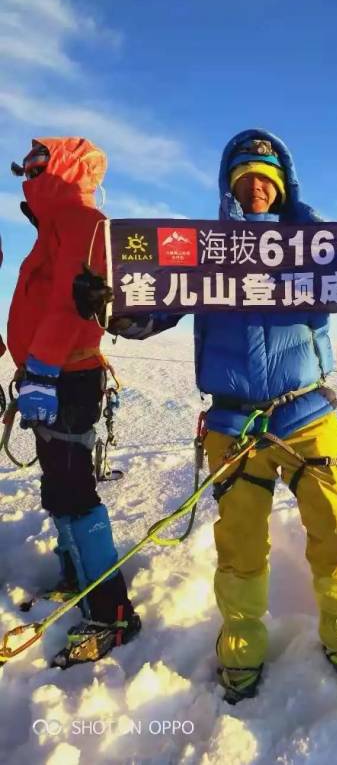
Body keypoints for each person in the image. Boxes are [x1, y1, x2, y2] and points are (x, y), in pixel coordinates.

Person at [75, 129, 337, 701]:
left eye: (266, 178)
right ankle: (242, 656)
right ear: (229, 186)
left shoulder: (315, 249)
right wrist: (111, 306)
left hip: (307, 414)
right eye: (244, 177)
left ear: (283, 185)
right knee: (240, 548)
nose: (256, 187)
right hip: (232, 424)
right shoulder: (199, 254)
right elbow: (155, 308)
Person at [7, 138, 140, 668]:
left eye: (40, 165)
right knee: (57, 483)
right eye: (28, 167)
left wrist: (42, 368)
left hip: (66, 376)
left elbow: (72, 302)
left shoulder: (82, 221)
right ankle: (75, 574)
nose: (30, 173)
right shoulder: (55, 225)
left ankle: (113, 611)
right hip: (47, 374)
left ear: (63, 169)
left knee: (75, 488)